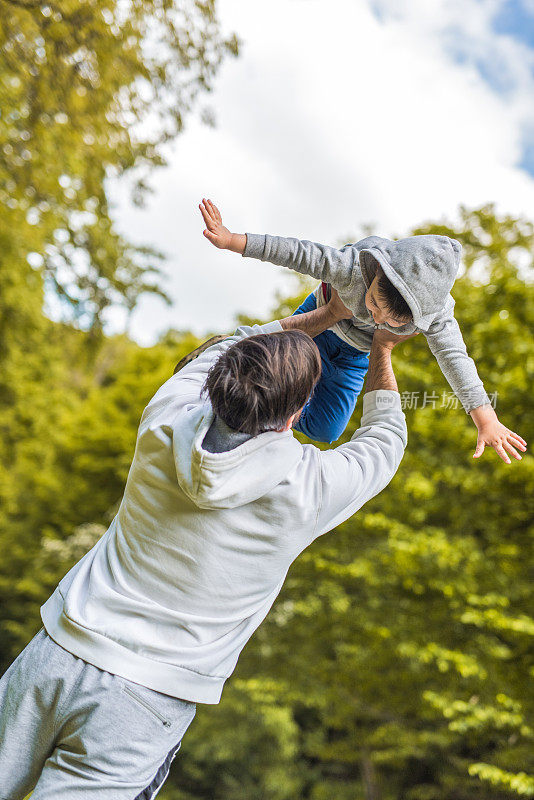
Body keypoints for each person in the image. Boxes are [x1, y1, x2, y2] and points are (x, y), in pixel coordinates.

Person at [0, 307, 408, 799]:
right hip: (145, 701)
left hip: (57, 653)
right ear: (298, 414)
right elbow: (384, 444)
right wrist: (382, 351)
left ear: (218, 380)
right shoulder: (307, 488)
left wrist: (328, 312)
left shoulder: (166, 415)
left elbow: (223, 344)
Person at [198, 198, 527, 463]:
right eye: (372, 302)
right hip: (314, 322)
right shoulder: (351, 267)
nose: (375, 316)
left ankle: (279, 408)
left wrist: (485, 419)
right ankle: (229, 355)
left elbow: (455, 358)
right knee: (249, 373)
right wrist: (233, 241)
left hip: (354, 355)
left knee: (327, 429)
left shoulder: (439, 317)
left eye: (388, 319)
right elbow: (297, 253)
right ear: (374, 274)